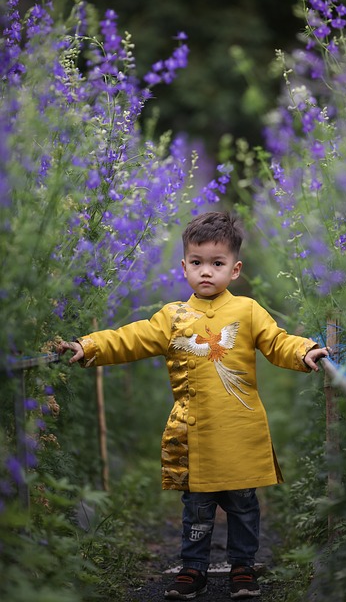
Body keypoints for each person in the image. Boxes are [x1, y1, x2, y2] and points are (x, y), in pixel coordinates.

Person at [58, 211, 329, 600]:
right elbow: (130, 338)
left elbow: (277, 341)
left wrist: (303, 351)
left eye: (217, 264)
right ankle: (192, 569)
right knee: (197, 509)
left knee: (243, 507)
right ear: (183, 267)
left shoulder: (248, 311)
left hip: (241, 432)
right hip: (196, 434)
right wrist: (89, 346)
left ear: (234, 270)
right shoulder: (173, 317)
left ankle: (242, 569)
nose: (206, 272)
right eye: (197, 263)